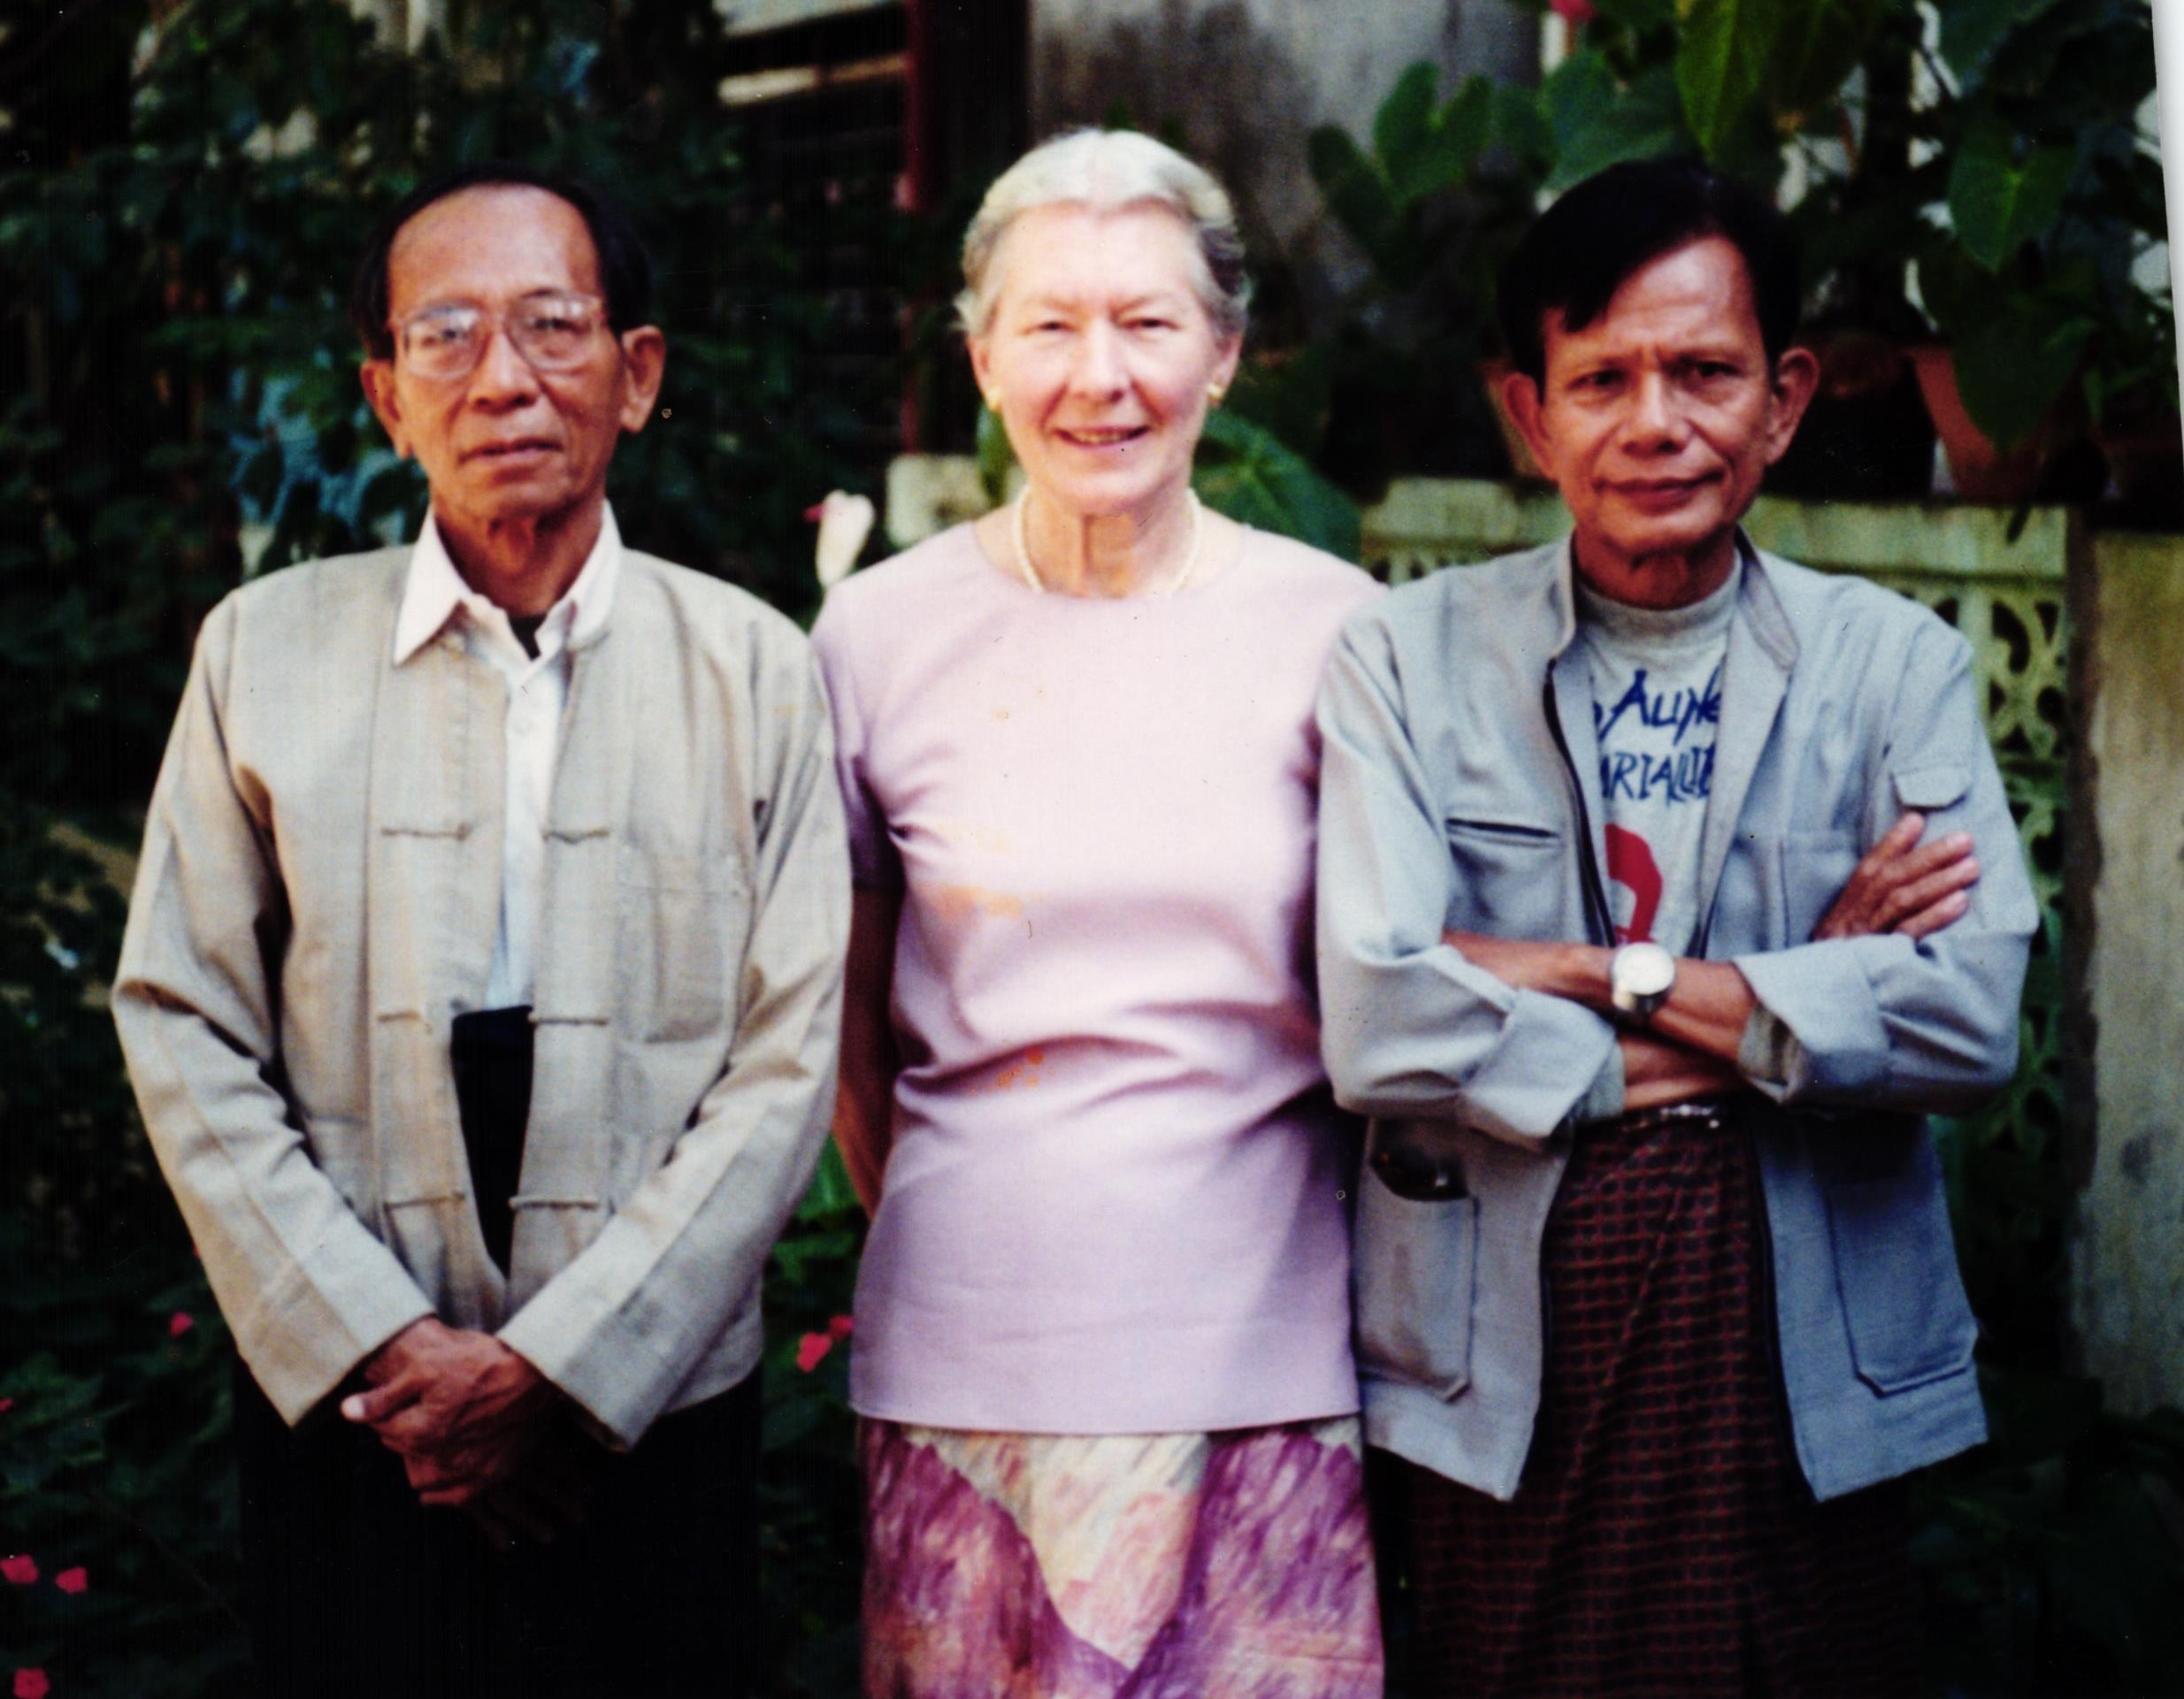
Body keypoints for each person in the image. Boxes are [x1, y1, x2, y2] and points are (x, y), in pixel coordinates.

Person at [112, 163, 847, 1698]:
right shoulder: (263, 650)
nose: (501, 376)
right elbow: (181, 1015)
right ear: (385, 395)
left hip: (652, 1413)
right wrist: (389, 1351)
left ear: (636, 374)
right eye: (444, 334)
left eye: (551, 326)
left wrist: (563, 1373)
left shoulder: (756, 670)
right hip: (361, 1415)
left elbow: (788, 1066)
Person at [1315, 157, 2036, 1695]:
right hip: (1504, 1366)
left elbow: (1969, 1019)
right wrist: (1784, 1001)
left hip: (1797, 1360)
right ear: (1529, 412)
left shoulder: (1889, 666)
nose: (1655, 421)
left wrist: (1549, 973)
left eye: (1704, 371)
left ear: (1779, 401)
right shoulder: (1403, 660)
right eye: (1602, 378)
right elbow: (1378, 1021)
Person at [812, 128, 1383, 1696]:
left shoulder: (1339, 629)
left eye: (1146, 322)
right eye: (1049, 324)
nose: (1099, 375)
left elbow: (1409, 993)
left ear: (1225, 352)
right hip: (966, 1371)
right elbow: (842, 1021)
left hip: (1268, 1370)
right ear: (982, 356)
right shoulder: (871, 635)